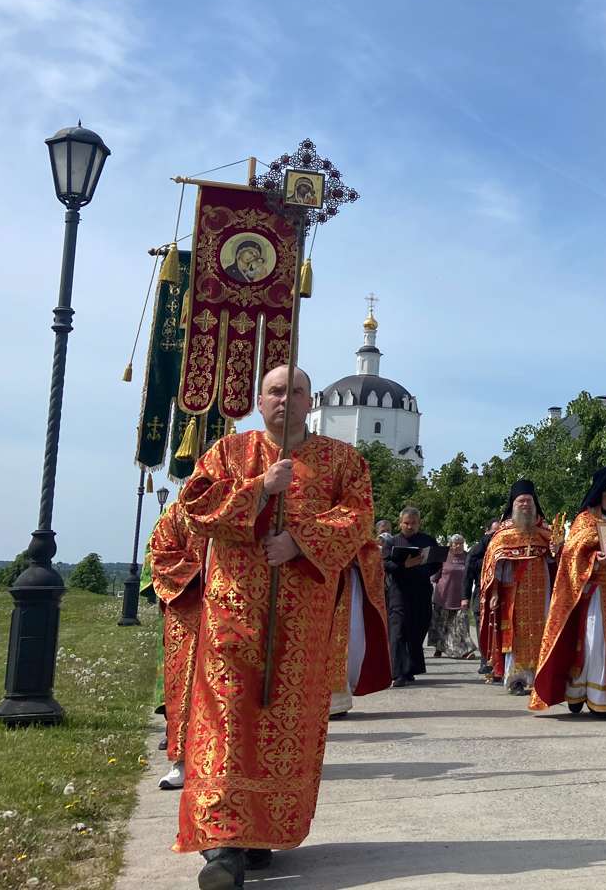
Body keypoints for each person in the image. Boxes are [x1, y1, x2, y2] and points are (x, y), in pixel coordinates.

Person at [173, 365, 374, 889]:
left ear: (313, 402)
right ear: (260, 400)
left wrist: (300, 539)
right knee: (227, 723)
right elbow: (194, 508)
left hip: (301, 626)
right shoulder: (227, 454)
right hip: (232, 617)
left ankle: (258, 834)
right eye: (276, 391)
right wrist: (260, 488)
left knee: (281, 726)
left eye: (297, 391)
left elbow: (357, 519)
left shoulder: (342, 462)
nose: (287, 399)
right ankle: (222, 842)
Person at [531, 465, 606, 719]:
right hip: (595, 594)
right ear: (603, 492)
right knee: (593, 645)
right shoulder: (584, 521)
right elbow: (571, 555)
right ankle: (584, 694)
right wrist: (595, 560)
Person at [146, 503, 205, 791]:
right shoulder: (177, 513)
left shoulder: (244, 504)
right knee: (184, 687)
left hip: (235, 611)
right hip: (188, 612)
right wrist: (204, 575)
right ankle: (181, 761)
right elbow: (161, 557)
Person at [480, 482, 558, 695]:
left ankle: (540, 678)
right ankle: (516, 680)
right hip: (514, 594)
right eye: (520, 501)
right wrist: (494, 592)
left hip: (542, 592)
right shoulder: (504, 533)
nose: (525, 504)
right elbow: (494, 565)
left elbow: (556, 564)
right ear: (513, 505)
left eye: (528, 501)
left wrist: (555, 551)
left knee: (542, 632)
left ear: (534, 504)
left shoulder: (546, 531)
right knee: (515, 636)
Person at [327, 533, 392, 719]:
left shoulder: (352, 521)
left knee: (347, 643)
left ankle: (337, 702)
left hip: (345, 589)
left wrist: (353, 555)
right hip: (314, 586)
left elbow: (369, 552)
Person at [383, 506, 436, 686]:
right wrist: (405, 565)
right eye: (406, 523)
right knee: (397, 632)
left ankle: (409, 668)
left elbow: (436, 563)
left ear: (419, 523)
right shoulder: (392, 542)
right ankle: (397, 673)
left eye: (413, 523)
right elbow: (385, 564)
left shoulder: (427, 540)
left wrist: (423, 566)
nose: (410, 526)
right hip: (399, 592)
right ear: (400, 523)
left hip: (421, 591)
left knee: (417, 629)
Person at [429, 534, 475, 658]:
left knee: (461, 625)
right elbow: (434, 576)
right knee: (442, 624)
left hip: (461, 596)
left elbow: (471, 574)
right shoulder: (443, 556)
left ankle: (465, 651)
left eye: (460, 543)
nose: (458, 545)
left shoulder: (467, 556)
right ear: (451, 544)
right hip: (443, 595)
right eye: (455, 543)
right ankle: (439, 648)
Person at [465, 519, 498, 676]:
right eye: (494, 532)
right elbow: (467, 575)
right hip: (481, 593)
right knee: (482, 627)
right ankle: (485, 660)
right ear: (487, 531)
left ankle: (498, 662)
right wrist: (464, 597)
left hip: (500, 594)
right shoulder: (477, 549)